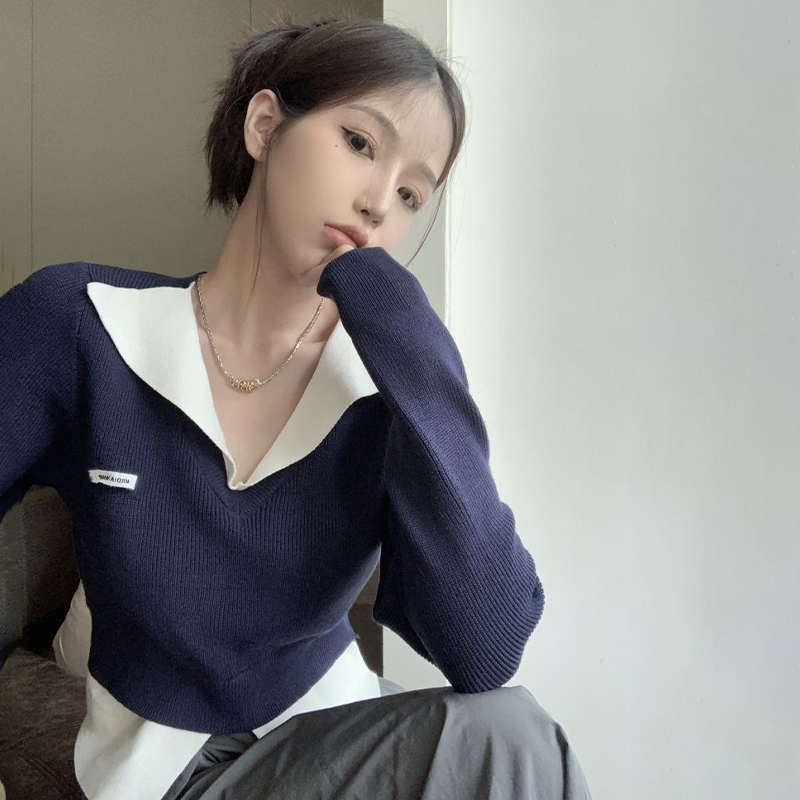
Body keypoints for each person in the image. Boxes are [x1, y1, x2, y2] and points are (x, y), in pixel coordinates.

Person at [0, 13, 594, 800]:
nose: (380, 203)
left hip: (335, 739)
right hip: (160, 771)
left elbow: (483, 651)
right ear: (265, 125)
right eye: (360, 143)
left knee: (510, 733)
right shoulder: (84, 324)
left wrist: (414, 345)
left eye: (412, 194)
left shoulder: (383, 389)